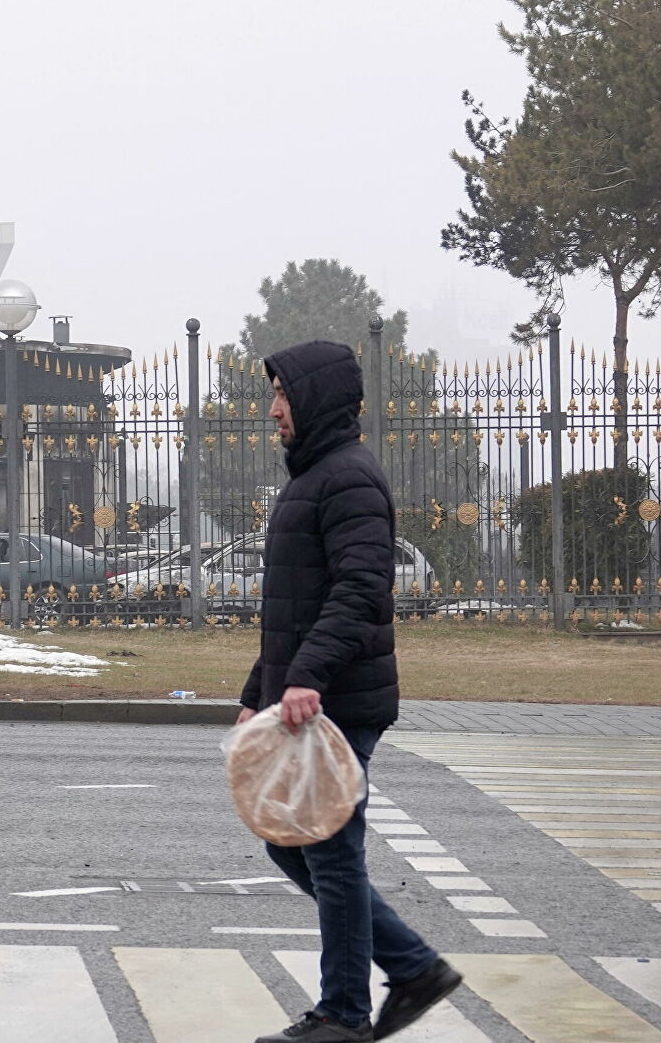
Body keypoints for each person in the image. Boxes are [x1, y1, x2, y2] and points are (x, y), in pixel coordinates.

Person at [240, 341, 461, 1043]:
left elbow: (362, 589)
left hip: (341, 699)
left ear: (317, 401)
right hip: (311, 694)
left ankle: (343, 1013)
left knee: (330, 853)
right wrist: (260, 687)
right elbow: (293, 606)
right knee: (291, 845)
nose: (274, 410)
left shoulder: (349, 478)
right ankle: (413, 966)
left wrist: (306, 678)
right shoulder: (316, 476)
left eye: (283, 396)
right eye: (272, 396)